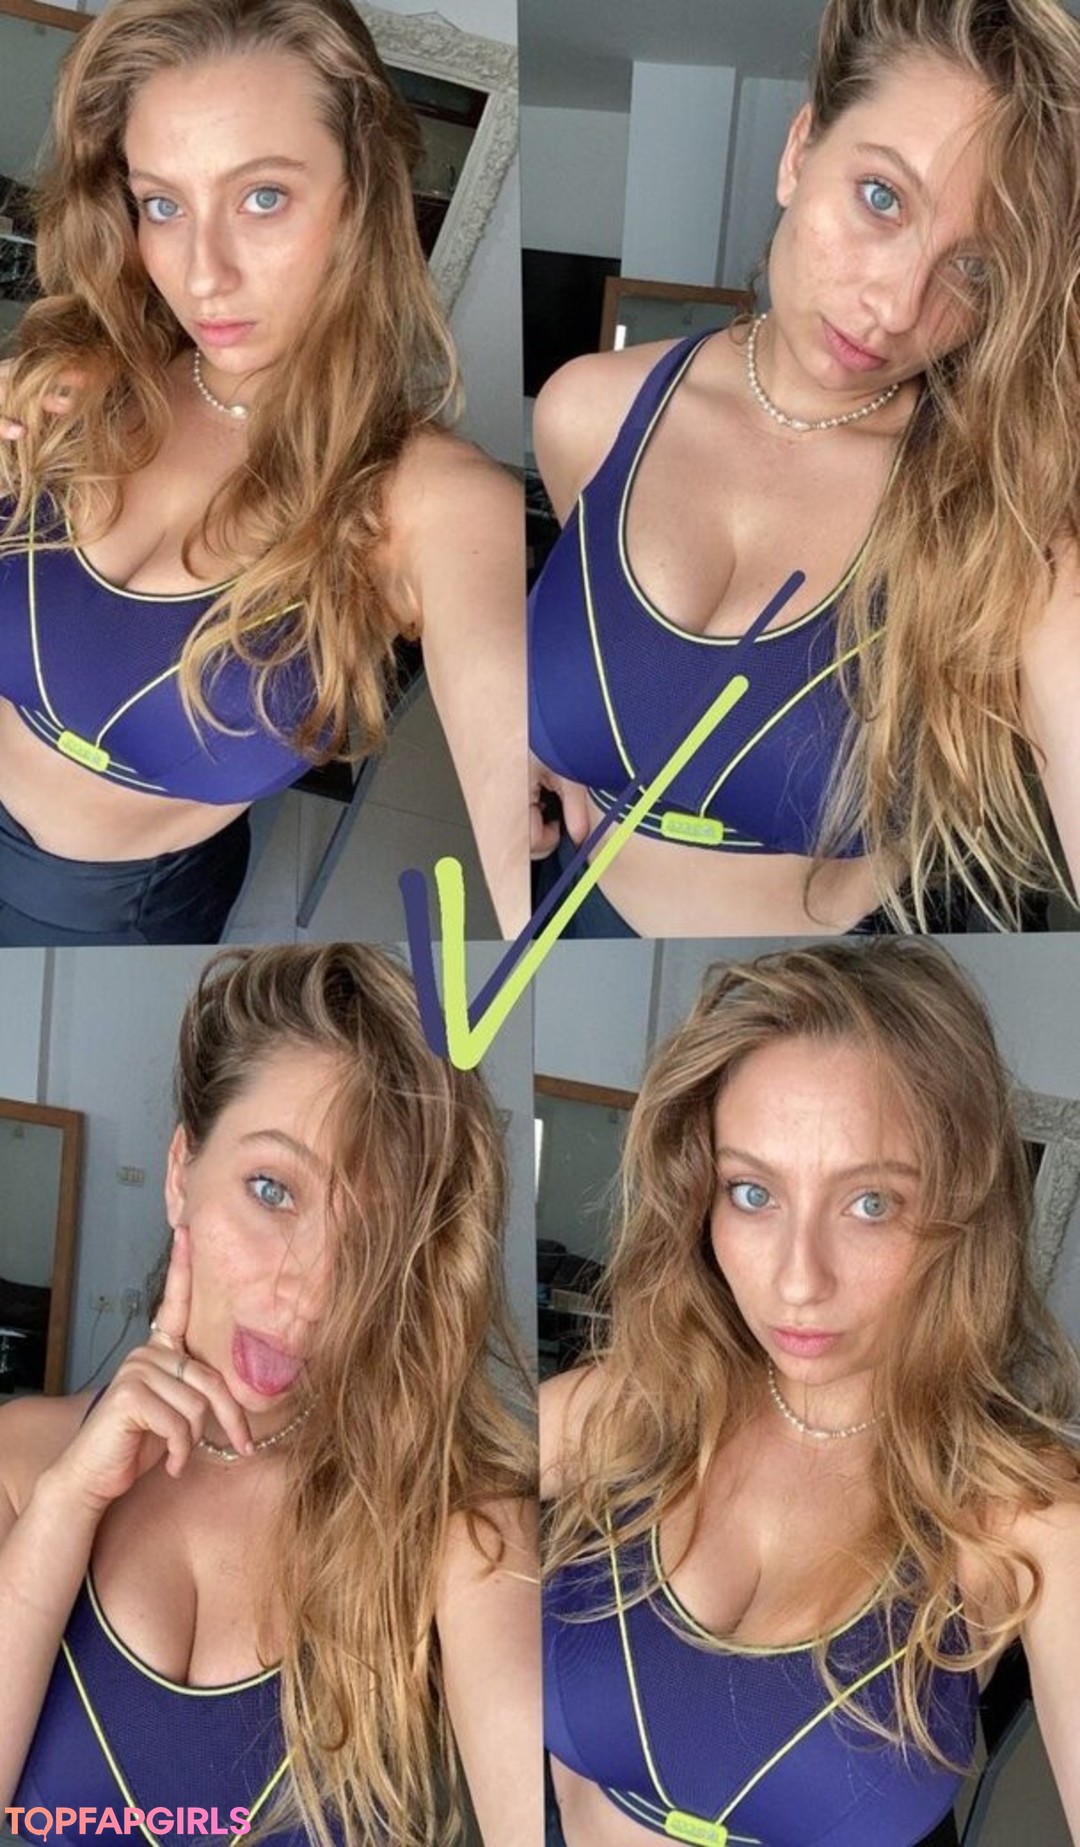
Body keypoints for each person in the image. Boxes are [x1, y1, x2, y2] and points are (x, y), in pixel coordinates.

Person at [529, 0, 1080, 938]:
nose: (896, 306)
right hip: (569, 916)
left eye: (977, 269)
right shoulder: (586, 410)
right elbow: (591, 647)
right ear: (798, 152)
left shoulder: (1008, 518)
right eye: (882, 198)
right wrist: (532, 727)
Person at [0, 0, 525, 946]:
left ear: (359, 196)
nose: (204, 274)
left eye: (263, 197)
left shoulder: (427, 500)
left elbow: (514, 757)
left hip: (116, 918)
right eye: (164, 204)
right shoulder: (79, 388)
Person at [541, 939, 1080, 1847]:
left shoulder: (1022, 1510)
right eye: (752, 1191)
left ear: (963, 1214)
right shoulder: (638, 1404)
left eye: (871, 1203)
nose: (798, 1280)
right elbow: (388, 1492)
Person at [0, 943, 540, 1847]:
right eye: (271, 1189)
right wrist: (66, 1507)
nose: (313, 1288)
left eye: (372, 1236)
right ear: (181, 1173)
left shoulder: (456, 1523)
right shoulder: (22, 1463)